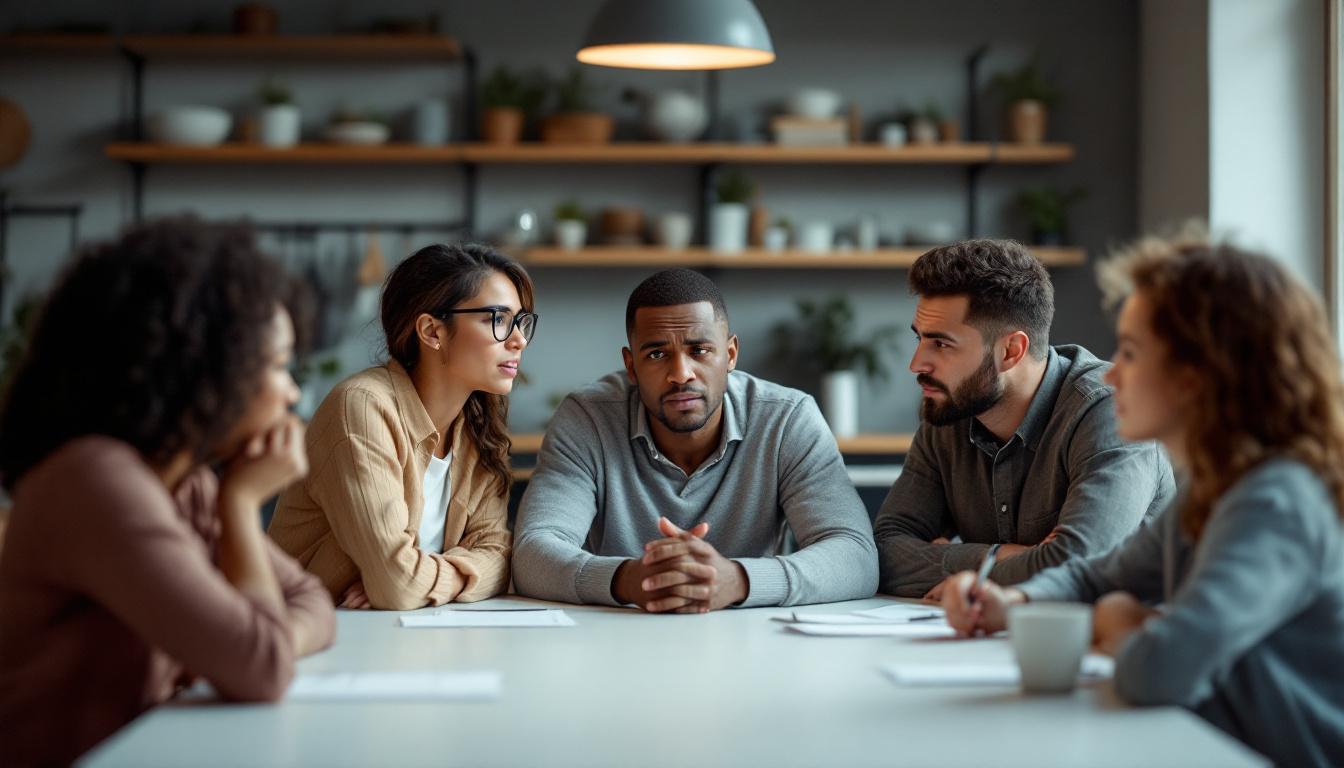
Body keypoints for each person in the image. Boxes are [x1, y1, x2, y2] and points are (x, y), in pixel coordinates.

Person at [943, 232, 1344, 768]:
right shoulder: (1216, 485)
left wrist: (1119, 623)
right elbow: (1098, 576)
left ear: (1195, 378)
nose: (1112, 373)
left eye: (1130, 352)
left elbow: (1158, 670)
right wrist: (1011, 604)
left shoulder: (1274, 503)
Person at [0, 218, 335, 767]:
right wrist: (241, 505)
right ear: (205, 370)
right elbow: (263, 667)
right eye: (278, 365)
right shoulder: (96, 481)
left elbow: (312, 602)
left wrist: (259, 637)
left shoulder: (186, 484)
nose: (293, 393)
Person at [512, 268, 877, 612]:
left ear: (730, 354)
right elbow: (531, 554)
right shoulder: (587, 419)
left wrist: (739, 580)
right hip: (619, 634)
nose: (680, 374)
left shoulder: (786, 419)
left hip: (756, 639)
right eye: (657, 354)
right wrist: (629, 579)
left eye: (699, 350)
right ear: (631, 366)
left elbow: (856, 555)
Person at [873, 239, 1173, 598]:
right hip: (993, 629)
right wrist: (1000, 556)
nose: (916, 364)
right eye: (919, 339)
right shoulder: (950, 410)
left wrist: (953, 564)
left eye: (941, 344)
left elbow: (1079, 566)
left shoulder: (1108, 409)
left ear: (1011, 351)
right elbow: (883, 553)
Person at [269, 244, 531, 609]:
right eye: (497, 320)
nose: (519, 340)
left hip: (402, 631)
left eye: (520, 321)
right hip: (304, 628)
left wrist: (429, 578)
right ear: (432, 331)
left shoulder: (478, 428)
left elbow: (501, 559)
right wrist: (422, 578)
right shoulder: (361, 408)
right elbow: (398, 584)